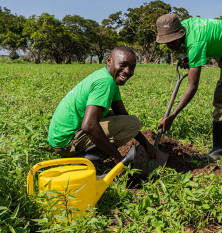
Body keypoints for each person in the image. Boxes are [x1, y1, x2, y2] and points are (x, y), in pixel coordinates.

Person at [156, 14, 222, 161]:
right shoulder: (186, 27)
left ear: (180, 32)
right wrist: (190, 59)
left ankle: (219, 149)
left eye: (171, 40)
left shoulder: (195, 41)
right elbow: (202, 43)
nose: (169, 45)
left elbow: (193, 86)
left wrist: (172, 116)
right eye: (165, 41)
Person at [48, 46, 158, 174]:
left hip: (59, 137)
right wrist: (118, 157)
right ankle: (84, 160)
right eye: (123, 65)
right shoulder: (106, 82)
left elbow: (121, 114)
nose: (127, 71)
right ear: (109, 61)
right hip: (65, 142)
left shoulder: (108, 77)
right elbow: (89, 126)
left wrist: (146, 145)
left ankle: (90, 154)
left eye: (132, 67)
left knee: (121, 119)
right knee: (132, 124)